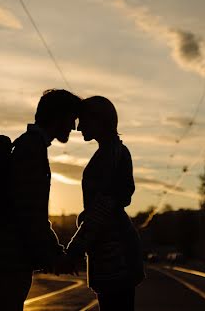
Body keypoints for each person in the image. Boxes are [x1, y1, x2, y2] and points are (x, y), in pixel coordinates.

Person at [0, 88, 81, 311]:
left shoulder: (30, 144)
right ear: (58, 116)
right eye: (72, 119)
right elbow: (29, 213)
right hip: (10, 255)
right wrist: (53, 256)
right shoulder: (31, 148)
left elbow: (32, 214)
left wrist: (53, 252)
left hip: (10, 253)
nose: (74, 127)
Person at [66, 96, 145, 310]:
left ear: (99, 121)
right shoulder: (113, 153)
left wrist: (75, 248)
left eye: (84, 120)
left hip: (114, 254)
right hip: (113, 252)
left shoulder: (110, 156)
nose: (79, 126)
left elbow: (103, 208)